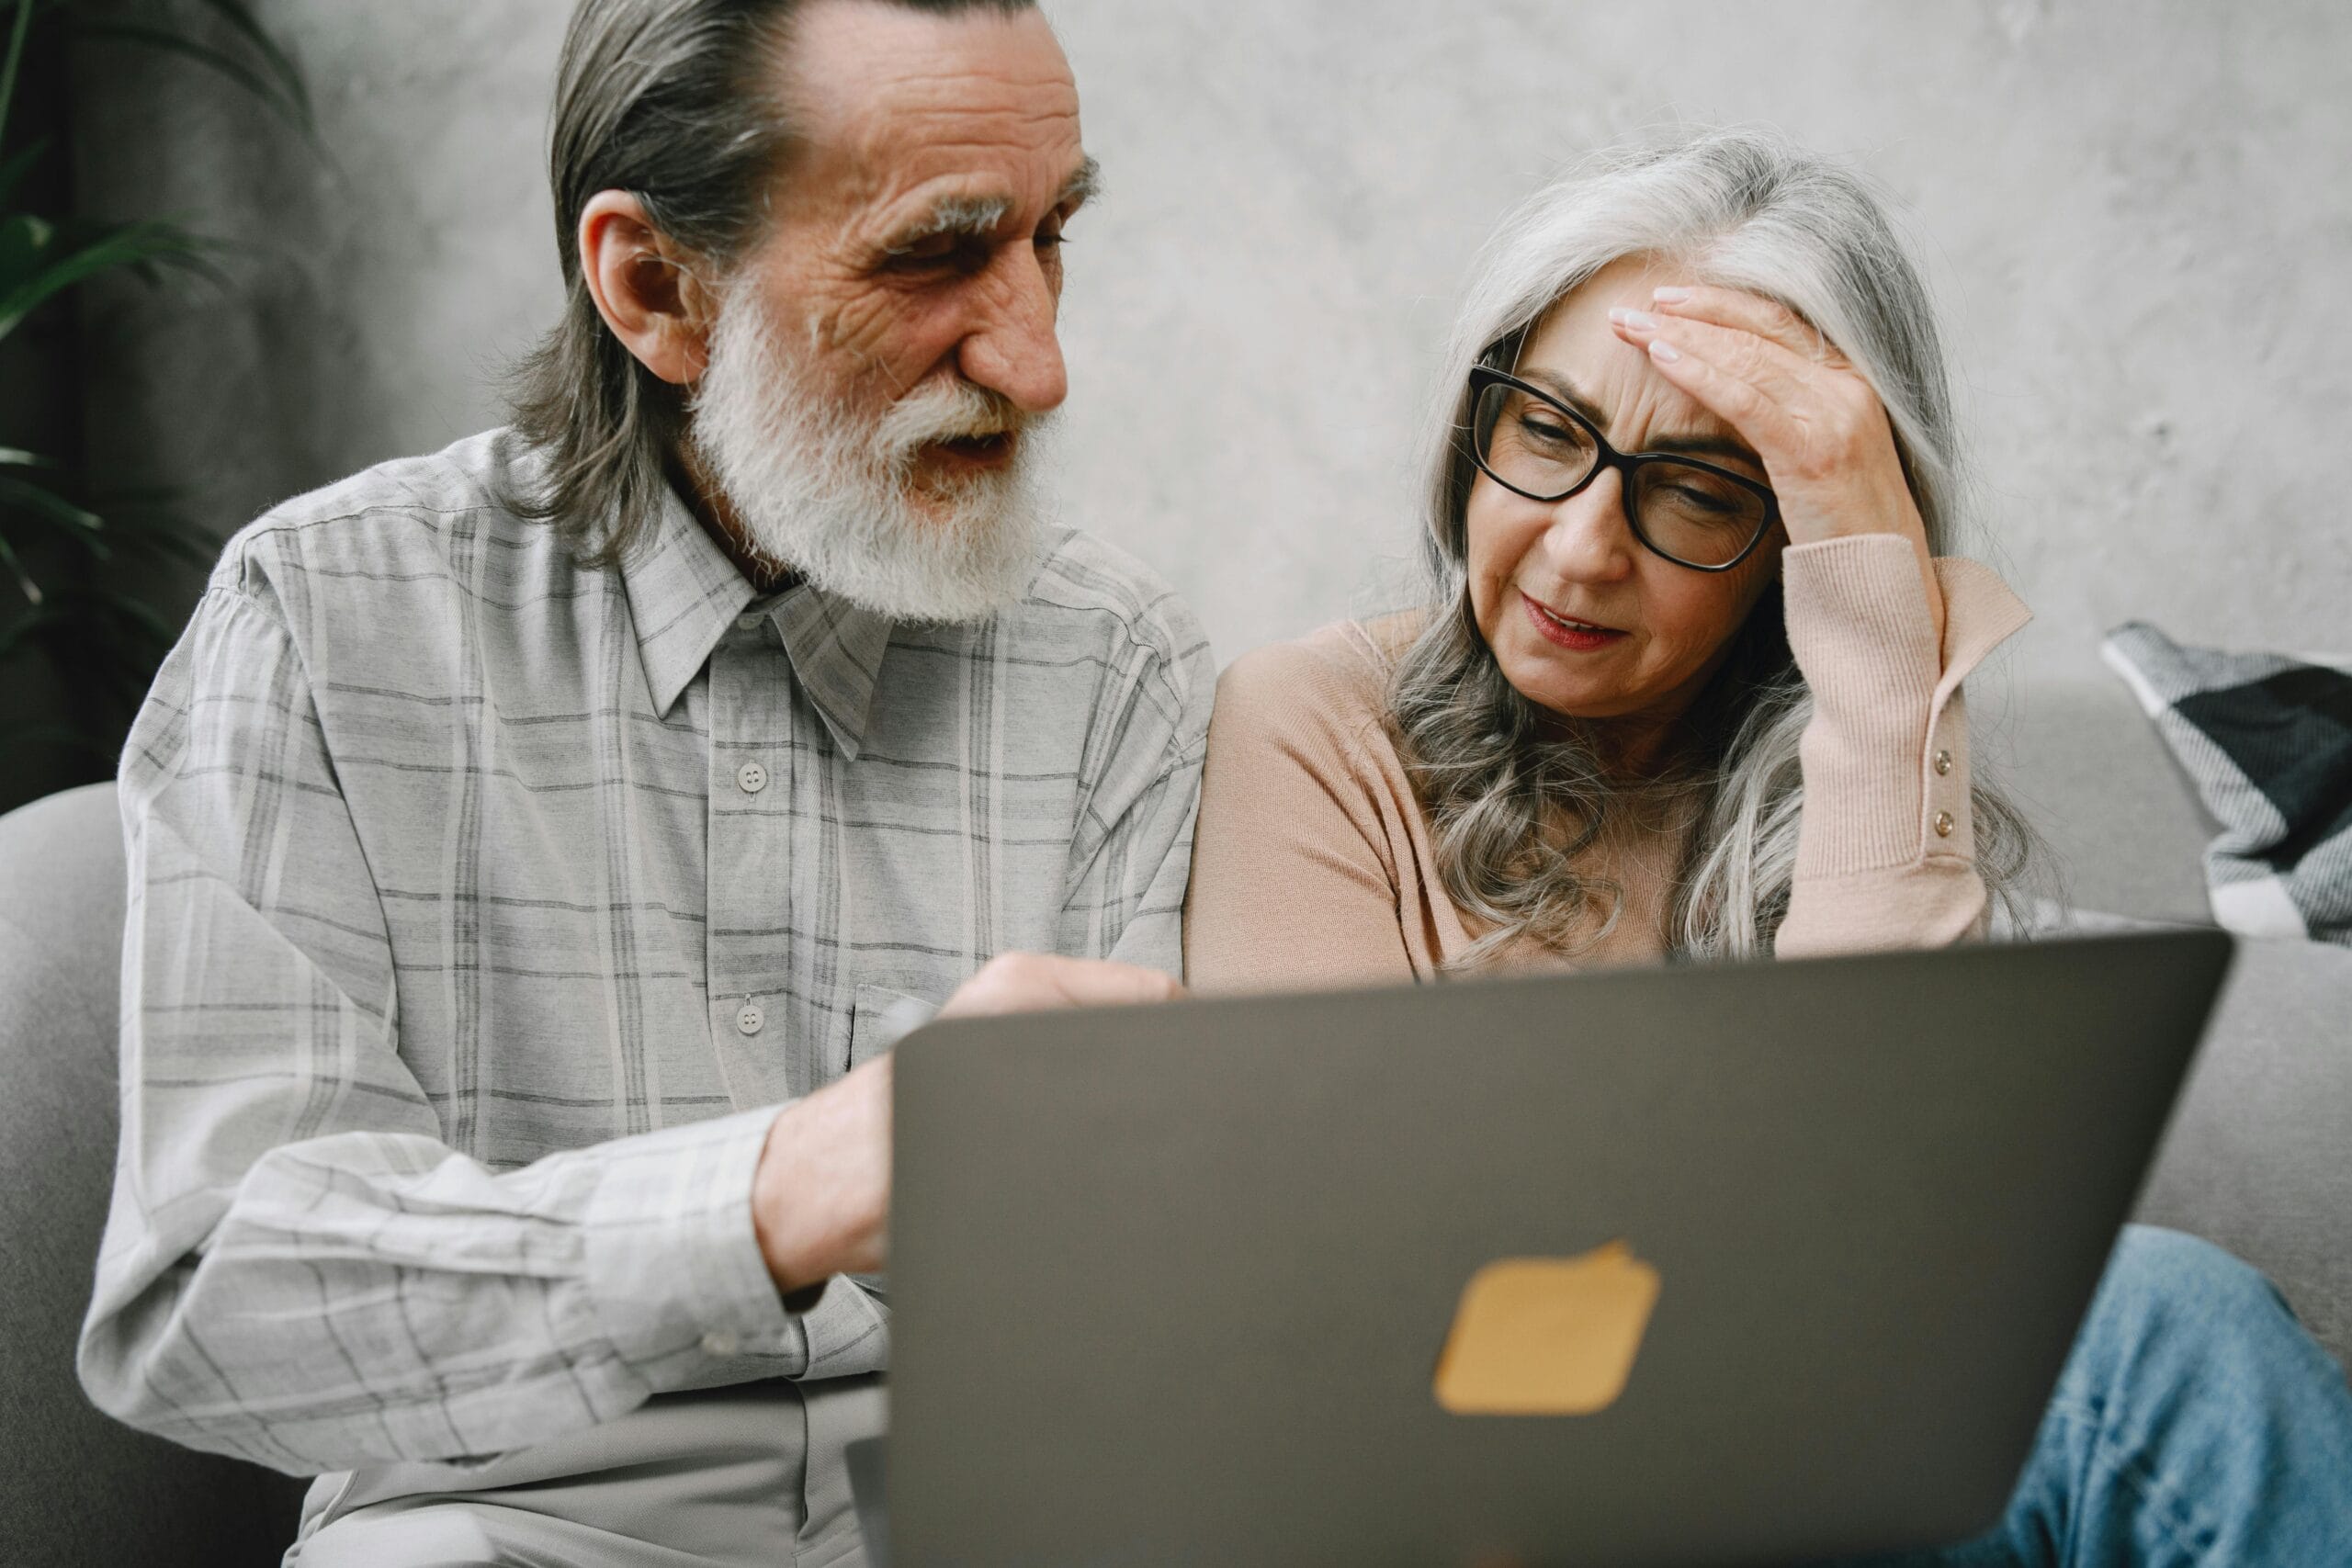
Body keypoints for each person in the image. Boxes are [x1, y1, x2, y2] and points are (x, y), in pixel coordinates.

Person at [77, 2, 1207, 1562]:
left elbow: (1160, 1298)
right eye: (936, 255)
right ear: (655, 287)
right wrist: (775, 1194)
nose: (1039, 361)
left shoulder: (1118, 664)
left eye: (1050, 236)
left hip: (993, 1510)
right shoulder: (326, 617)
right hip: (498, 1514)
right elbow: (221, 1300)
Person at [1184, 130, 2352, 1563]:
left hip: (1824, 1473)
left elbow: (1919, 1246)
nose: (1580, 549)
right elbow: (1352, 1277)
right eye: (1546, 430)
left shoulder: (1857, 745)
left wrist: (1876, 617)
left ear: (1797, 542)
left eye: (1698, 489)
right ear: (1470, 423)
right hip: (1494, 1498)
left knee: (2174, 1327)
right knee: (2160, 1328)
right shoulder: (1315, 722)